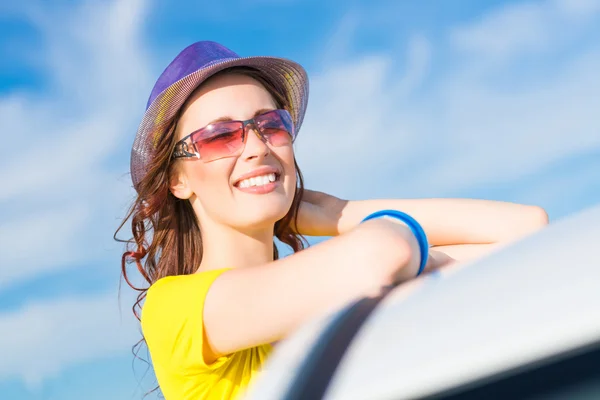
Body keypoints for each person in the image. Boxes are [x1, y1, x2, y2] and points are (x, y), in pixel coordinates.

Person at [116, 41, 549, 400]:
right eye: (221, 136)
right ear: (177, 181)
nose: (257, 147)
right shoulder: (172, 308)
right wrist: (336, 219)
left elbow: (524, 229)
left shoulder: (333, 290)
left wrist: (332, 210)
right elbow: (382, 252)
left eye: (270, 125)